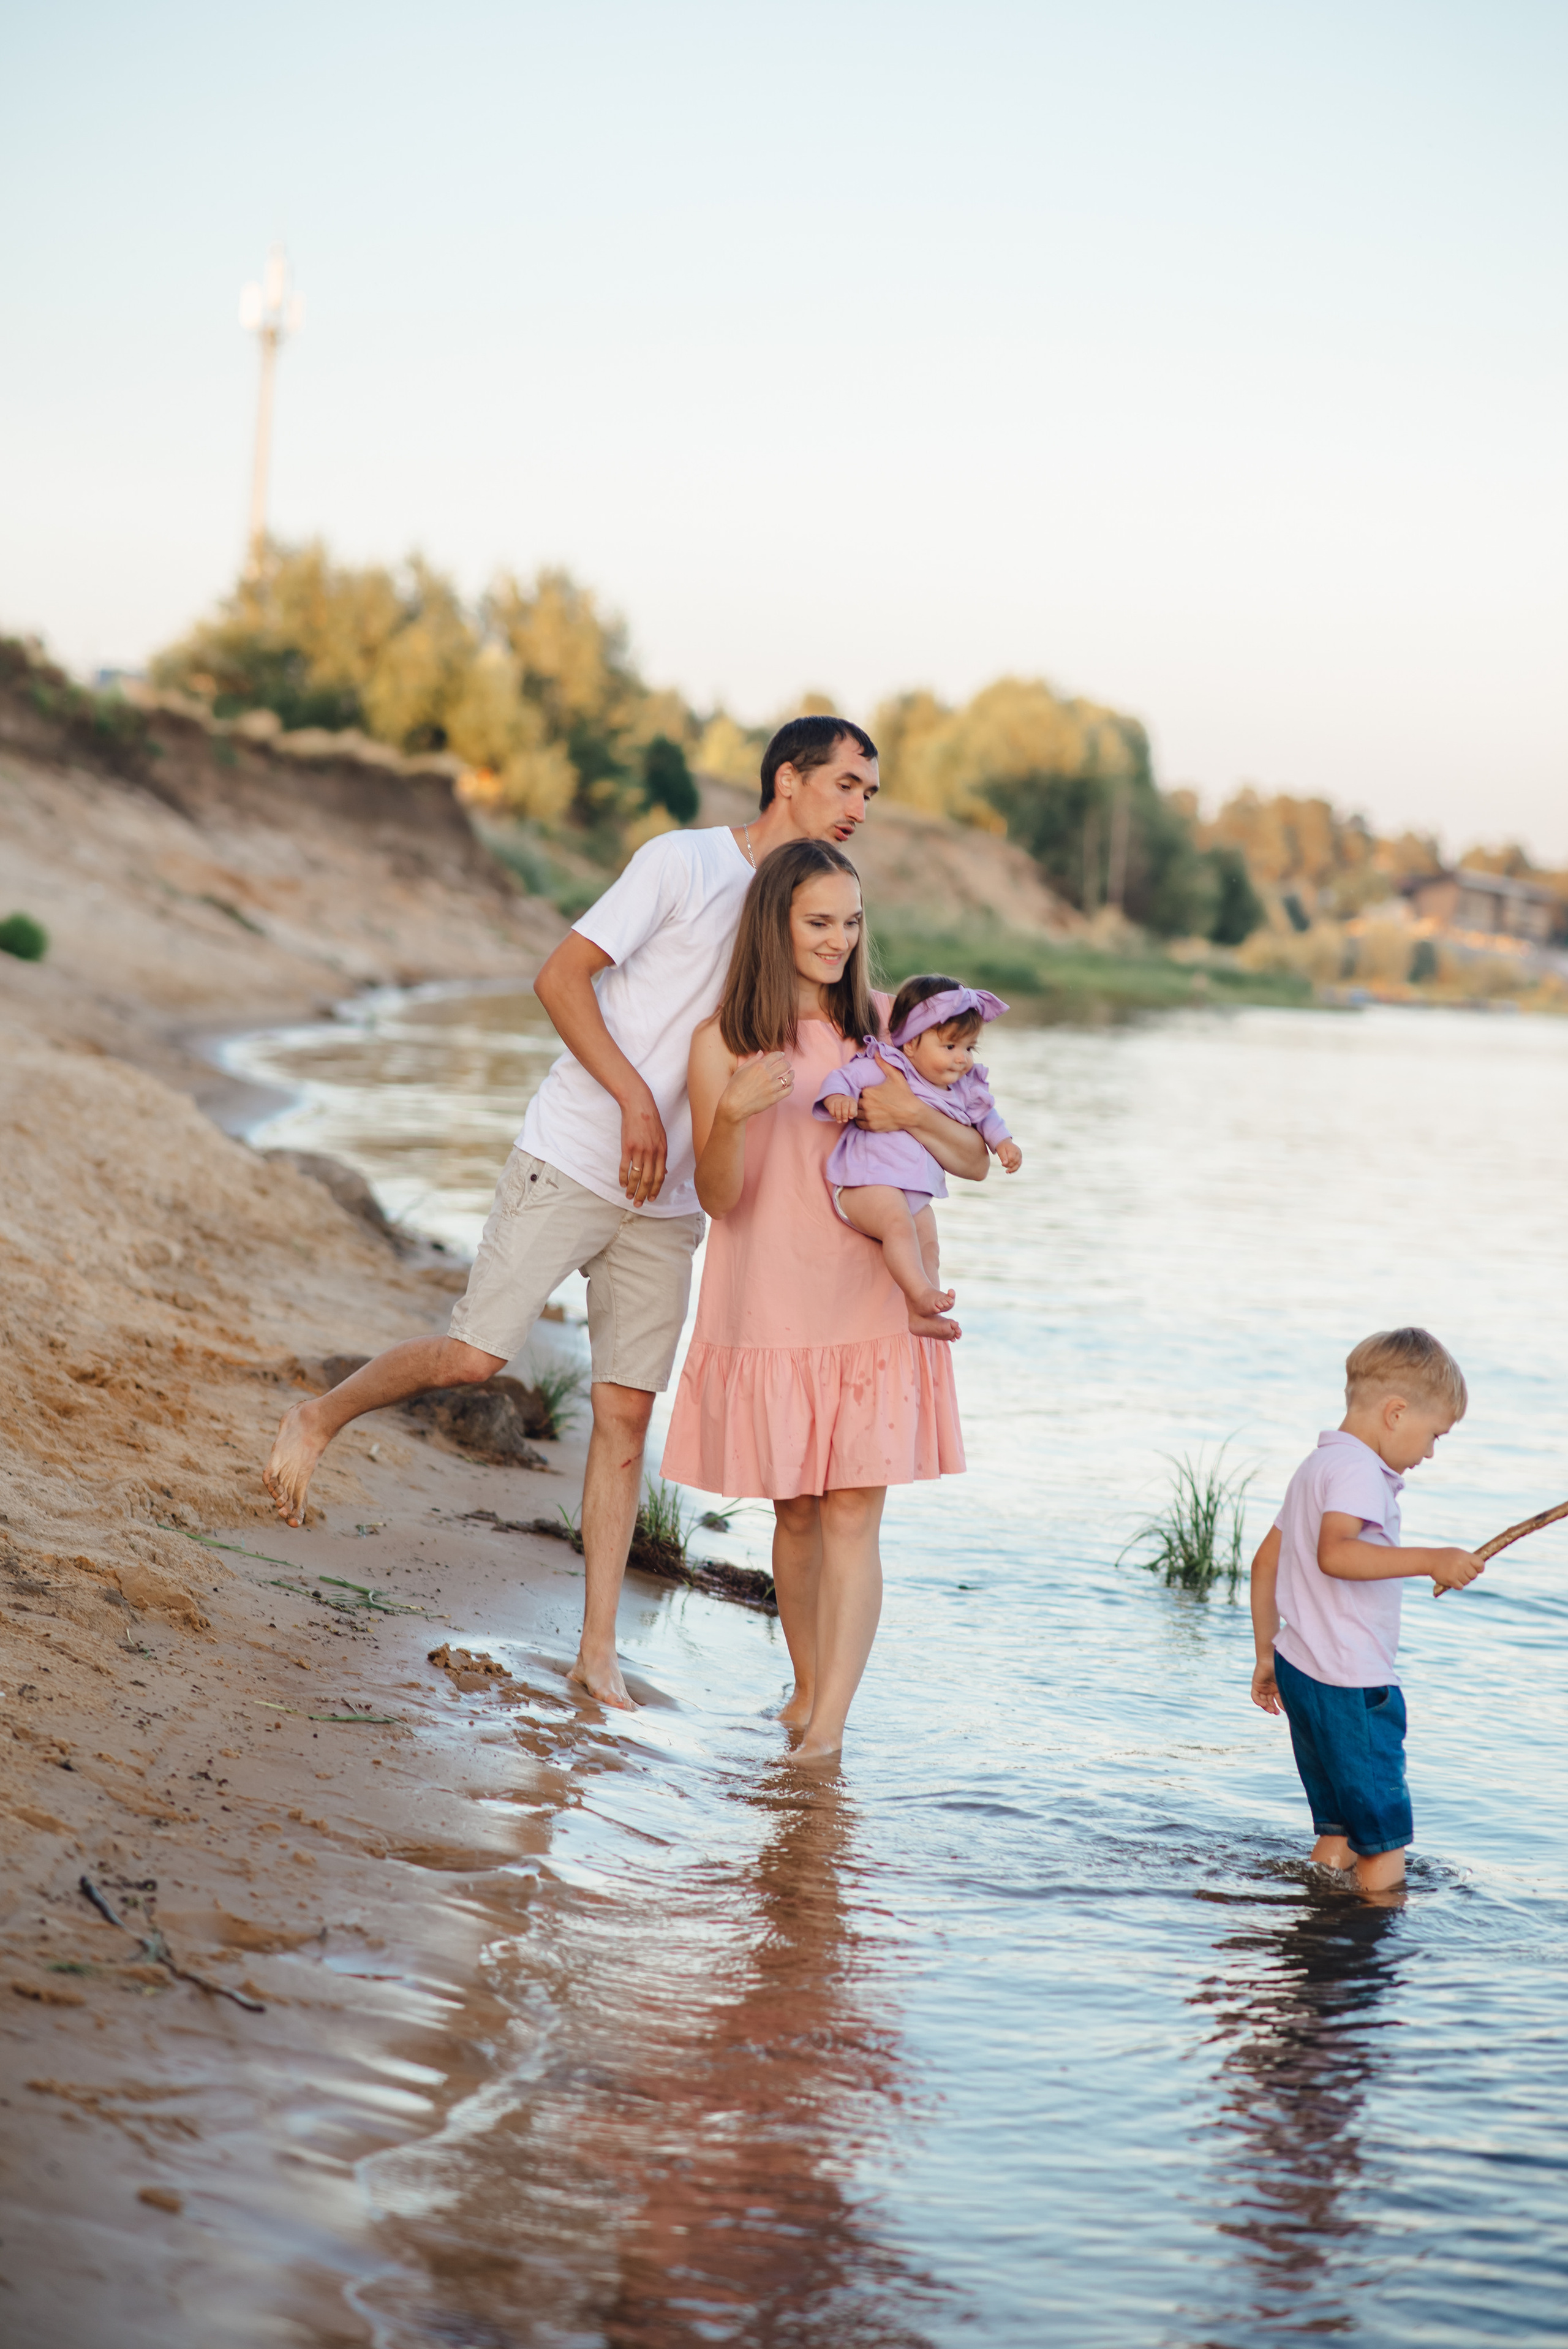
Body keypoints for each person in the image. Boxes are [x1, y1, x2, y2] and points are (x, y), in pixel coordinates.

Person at [263, 715, 946, 1711]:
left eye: (870, 795)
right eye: (846, 784)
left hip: (672, 1196)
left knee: (626, 1413)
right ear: (787, 778)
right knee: (475, 1358)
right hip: (580, 1151)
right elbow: (560, 976)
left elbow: (839, 1027)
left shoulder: (806, 905)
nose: (858, 807)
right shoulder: (680, 863)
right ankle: (318, 1414)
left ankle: (595, 1653)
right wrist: (635, 1099)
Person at [662, 841, 985, 1763]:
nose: (840, 941)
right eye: (818, 922)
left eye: (850, 922)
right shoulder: (721, 1041)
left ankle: (830, 1728)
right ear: (775, 923)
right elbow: (721, 1198)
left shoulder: (890, 1027)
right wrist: (727, 1113)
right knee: (795, 1513)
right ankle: (806, 1690)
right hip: (768, 1295)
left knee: (852, 1512)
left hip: (872, 1299)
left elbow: (970, 1159)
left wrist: (910, 1111)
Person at [1248, 1327, 1484, 1894]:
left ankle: (1319, 1929)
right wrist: (1432, 1559)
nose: (1430, 1452)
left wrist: (1265, 1655)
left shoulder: (1316, 1467)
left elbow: (1264, 1564)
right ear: (1396, 1413)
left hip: (1302, 1673)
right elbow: (1336, 1553)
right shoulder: (1358, 1473)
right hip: (1352, 1684)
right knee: (1383, 1843)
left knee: (1342, 1834)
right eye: (1434, 1435)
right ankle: (1371, 1965)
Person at [813, 973, 1022, 1336]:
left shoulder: (963, 1089)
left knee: (928, 1241)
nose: (962, 1060)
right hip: (866, 1183)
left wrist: (1003, 1143)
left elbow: (988, 1118)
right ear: (911, 1045)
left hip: (913, 1192)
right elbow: (842, 1078)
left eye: (969, 1049)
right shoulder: (888, 1065)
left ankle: (923, 1311)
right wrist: (839, 1100)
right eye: (950, 1047)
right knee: (898, 1225)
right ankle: (920, 1293)